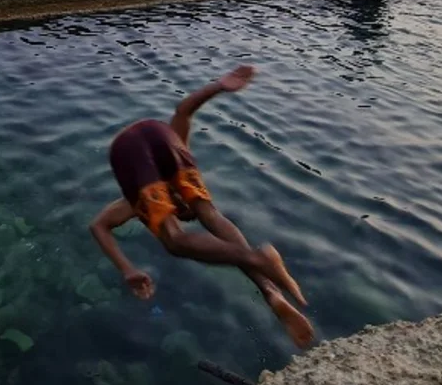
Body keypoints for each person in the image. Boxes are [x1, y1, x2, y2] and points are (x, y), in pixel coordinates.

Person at [89, 65, 313, 348]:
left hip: (135, 143)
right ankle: (265, 279)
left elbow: (97, 226)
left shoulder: (135, 203)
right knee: (210, 213)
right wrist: (218, 86)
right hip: (158, 135)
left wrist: (127, 269)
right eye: (182, 208)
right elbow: (183, 111)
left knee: (174, 240)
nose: (180, 207)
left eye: (180, 209)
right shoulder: (145, 197)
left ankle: (268, 283)